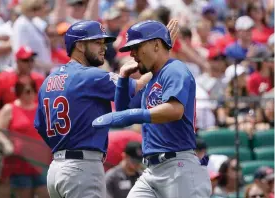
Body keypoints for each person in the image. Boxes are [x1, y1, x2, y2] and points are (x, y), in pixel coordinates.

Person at [33, 19, 182, 198]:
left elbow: (40, 126)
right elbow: (138, 85)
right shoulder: (89, 76)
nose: (103, 47)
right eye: (97, 42)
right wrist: (161, 54)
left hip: (56, 169)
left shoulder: (48, 81)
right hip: (82, 168)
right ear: (79, 45)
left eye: (104, 42)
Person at [92, 20, 211, 198]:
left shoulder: (175, 69)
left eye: (136, 47)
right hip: (152, 169)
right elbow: (123, 109)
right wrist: (124, 78)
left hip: (178, 167)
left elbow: (175, 110)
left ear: (156, 44)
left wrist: (134, 115)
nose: (132, 54)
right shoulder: (152, 79)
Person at [0, 78, 49, 198]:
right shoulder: (9, 109)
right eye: (26, 91)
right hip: (20, 162)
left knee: (46, 193)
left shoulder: (41, 108)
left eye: (32, 90)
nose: (30, 94)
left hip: (41, 161)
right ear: (19, 92)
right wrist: (6, 144)